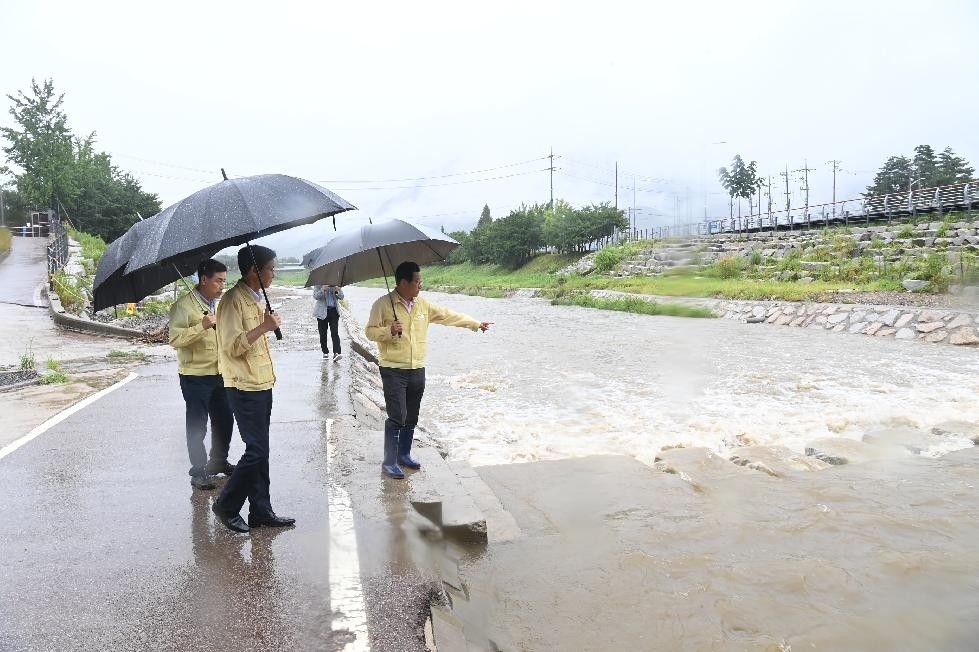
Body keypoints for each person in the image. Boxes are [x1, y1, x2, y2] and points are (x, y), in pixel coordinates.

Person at [365, 261, 491, 479]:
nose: (420, 285)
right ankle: (389, 462)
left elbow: (448, 315)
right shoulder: (383, 304)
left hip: (417, 369)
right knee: (397, 416)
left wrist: (475, 323)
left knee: (411, 416)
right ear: (404, 283)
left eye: (420, 281)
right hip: (393, 368)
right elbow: (369, 332)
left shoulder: (422, 305)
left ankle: (404, 454)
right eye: (417, 281)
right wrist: (388, 330)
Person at [211, 245, 295, 533]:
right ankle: (226, 504)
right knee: (256, 450)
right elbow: (232, 347)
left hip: (261, 383)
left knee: (262, 449)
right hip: (243, 385)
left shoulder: (254, 299)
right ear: (253, 271)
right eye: (271, 268)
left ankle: (261, 509)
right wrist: (264, 327)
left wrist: (265, 323)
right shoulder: (232, 301)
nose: (275, 273)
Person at [168, 259, 234, 490]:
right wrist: (202, 326)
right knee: (197, 424)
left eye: (224, 280)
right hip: (195, 376)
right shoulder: (183, 306)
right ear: (203, 280)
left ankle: (218, 461)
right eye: (218, 280)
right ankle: (198, 471)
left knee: (225, 420)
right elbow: (175, 339)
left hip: (220, 372)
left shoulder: (220, 304)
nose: (222, 285)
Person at [312, 284, 344, 361]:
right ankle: (325, 352)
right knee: (323, 333)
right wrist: (322, 289)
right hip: (322, 312)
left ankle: (337, 353)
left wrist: (338, 290)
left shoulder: (335, 284)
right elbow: (315, 296)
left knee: (334, 333)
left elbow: (342, 297)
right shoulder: (318, 284)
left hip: (334, 311)